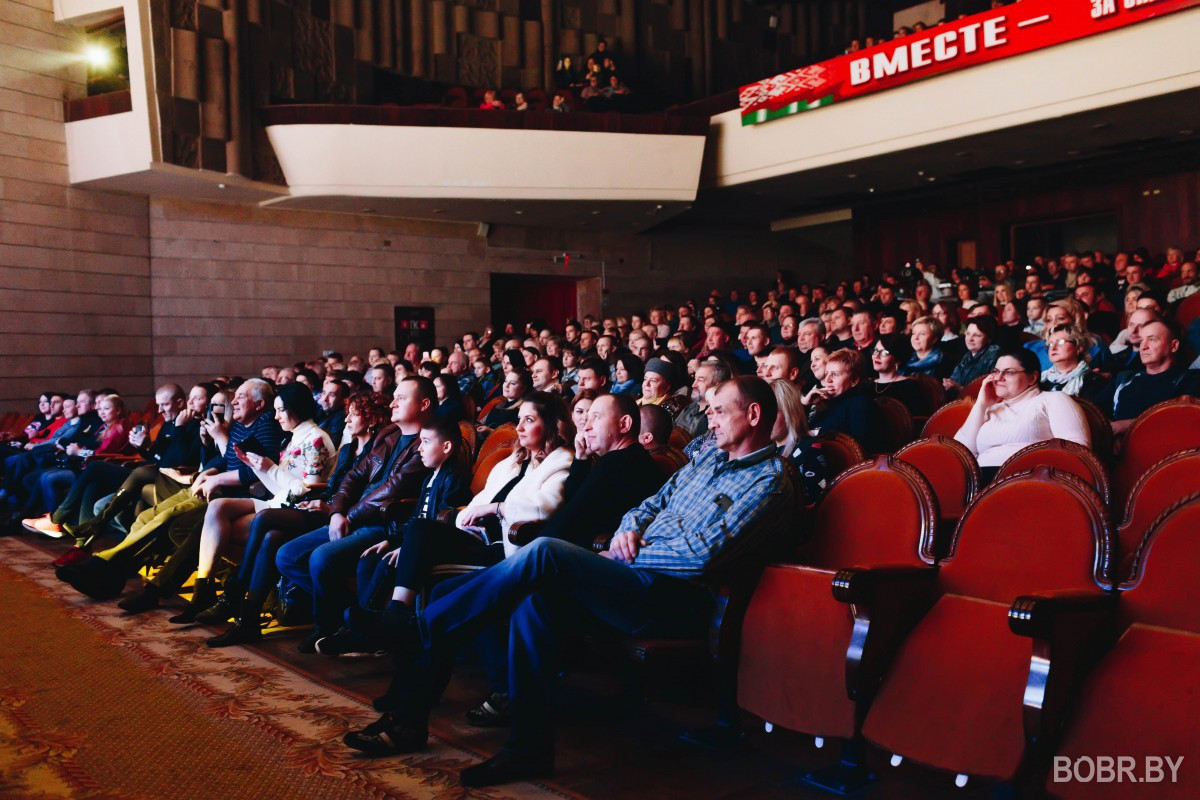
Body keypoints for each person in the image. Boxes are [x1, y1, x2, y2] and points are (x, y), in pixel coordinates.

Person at [342, 377, 795, 788]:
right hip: (626, 576)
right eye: (709, 411)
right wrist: (627, 531)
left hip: (673, 598)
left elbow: (701, 555)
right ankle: (524, 748)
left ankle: (417, 627)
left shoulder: (769, 481)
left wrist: (626, 549)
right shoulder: (704, 462)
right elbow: (647, 507)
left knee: (541, 553)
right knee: (533, 602)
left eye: (719, 411)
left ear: (753, 415)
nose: (708, 420)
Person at [328, 391, 574, 658]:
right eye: (519, 419)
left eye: (529, 420)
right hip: (477, 535)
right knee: (415, 534)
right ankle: (393, 618)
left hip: (508, 546)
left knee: (420, 534)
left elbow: (546, 506)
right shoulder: (512, 463)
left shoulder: (562, 461)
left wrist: (497, 508)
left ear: (549, 424)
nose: (519, 427)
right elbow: (473, 506)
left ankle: (393, 620)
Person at [197, 391, 390, 639]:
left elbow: (312, 489)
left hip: (334, 514)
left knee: (265, 520)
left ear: (372, 420)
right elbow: (331, 489)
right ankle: (249, 619)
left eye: (354, 414)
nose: (347, 419)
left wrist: (328, 505)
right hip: (318, 506)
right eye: (348, 413)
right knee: (271, 537)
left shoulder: (367, 449)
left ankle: (236, 590)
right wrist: (261, 468)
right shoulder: (348, 448)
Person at [274, 377, 436, 650]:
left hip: (384, 522)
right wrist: (337, 511)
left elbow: (390, 490)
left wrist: (350, 516)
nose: (393, 402)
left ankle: (327, 626)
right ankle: (350, 618)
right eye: (394, 396)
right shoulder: (389, 433)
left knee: (321, 558)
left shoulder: (428, 441)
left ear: (424, 404)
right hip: (354, 515)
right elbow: (355, 475)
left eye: (402, 398)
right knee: (286, 556)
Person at [183, 384, 336, 623]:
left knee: (226, 533)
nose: (276, 417)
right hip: (280, 502)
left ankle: (234, 593)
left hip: (299, 509)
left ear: (294, 410)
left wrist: (269, 468)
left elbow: (305, 492)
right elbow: (280, 488)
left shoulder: (316, 439)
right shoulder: (293, 438)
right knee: (217, 506)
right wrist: (258, 467)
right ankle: (204, 586)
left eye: (280, 411)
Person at [953, 349, 1090, 482]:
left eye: (1009, 372)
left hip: (1029, 482)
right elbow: (960, 453)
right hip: (980, 483)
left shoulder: (1054, 399)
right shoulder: (990, 409)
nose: (999, 378)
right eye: (996, 371)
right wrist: (981, 404)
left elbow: (1077, 452)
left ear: (1033, 377)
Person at [1098, 320, 1200, 435]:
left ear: (1174, 345)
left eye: (1152, 339)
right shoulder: (1124, 379)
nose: (1143, 347)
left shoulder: (1191, 379)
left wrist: (1127, 425)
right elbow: (1095, 411)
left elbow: (1184, 419)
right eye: (1141, 341)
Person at [803, 349, 881, 452]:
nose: (827, 380)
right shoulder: (826, 402)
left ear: (854, 381)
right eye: (826, 374)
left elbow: (859, 450)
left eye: (835, 374)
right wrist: (806, 404)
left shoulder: (860, 403)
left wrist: (816, 433)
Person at [770, 379, 828, 504]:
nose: (765, 420)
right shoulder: (765, 451)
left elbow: (815, 505)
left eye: (771, 413)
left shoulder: (810, 450)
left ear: (788, 412)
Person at [1038, 325, 1110, 407]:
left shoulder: (1094, 381)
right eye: (1050, 344)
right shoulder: (1041, 381)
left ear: (1078, 348)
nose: (1053, 347)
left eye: (1060, 342)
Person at [871, 334, 933, 418]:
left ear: (897, 360)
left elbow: (919, 420)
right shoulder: (866, 385)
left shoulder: (909, 387)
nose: (876, 356)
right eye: (876, 350)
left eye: (884, 352)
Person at [675, 360, 730, 439]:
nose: (694, 385)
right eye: (695, 379)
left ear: (718, 384)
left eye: (700, 380)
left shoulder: (715, 416)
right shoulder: (690, 407)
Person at [945, 317, 1001, 393]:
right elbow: (953, 379)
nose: (970, 339)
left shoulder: (994, 357)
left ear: (989, 338)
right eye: (968, 334)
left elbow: (989, 391)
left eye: (977, 335)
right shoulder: (968, 356)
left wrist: (960, 388)